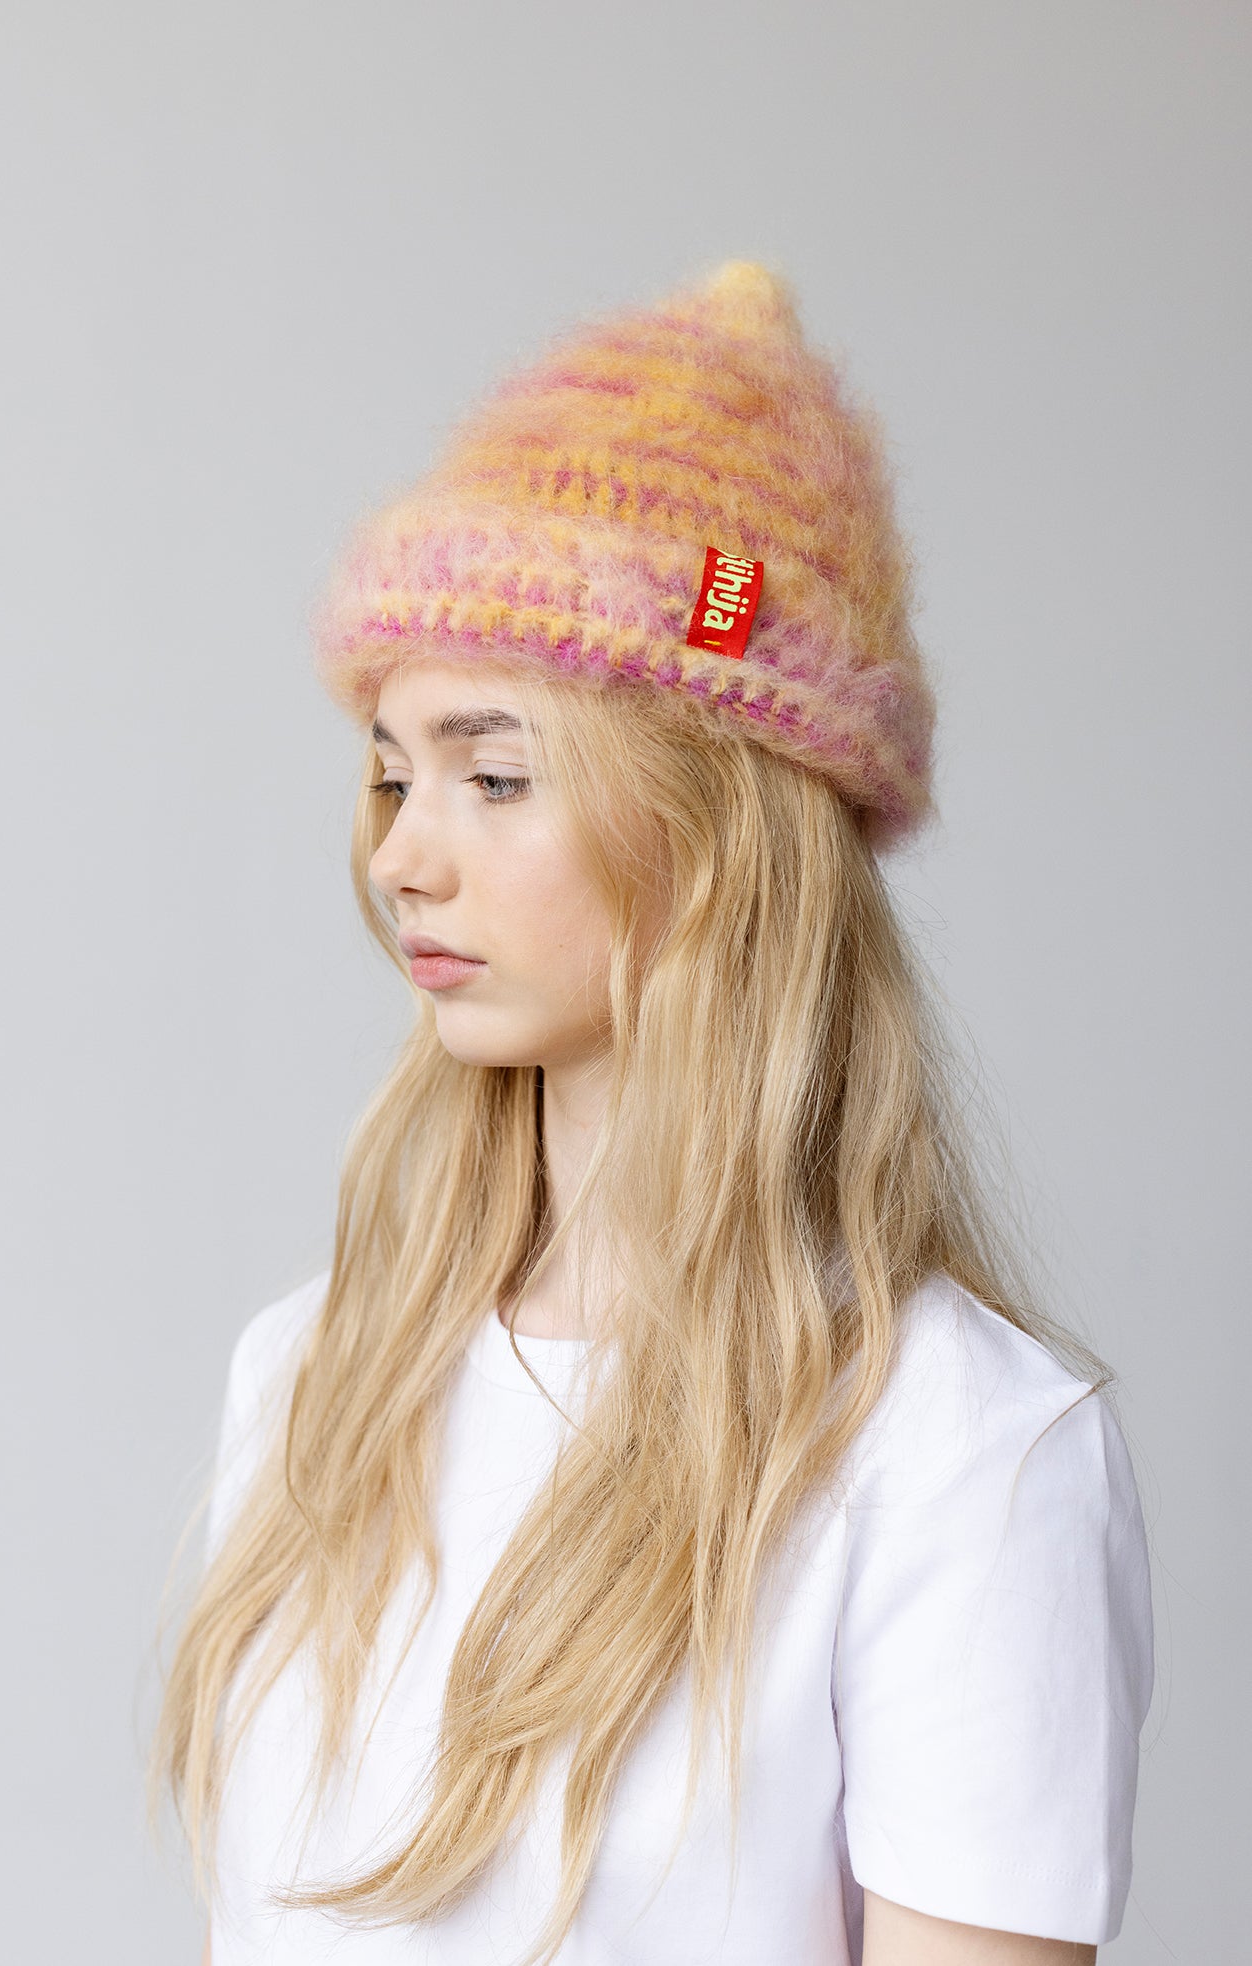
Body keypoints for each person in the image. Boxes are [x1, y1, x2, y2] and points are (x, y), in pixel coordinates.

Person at [152, 263, 1154, 1966]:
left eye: (494, 772)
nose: (402, 854)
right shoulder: (313, 1375)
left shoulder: (962, 1455)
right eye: (392, 771)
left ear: (715, 831)